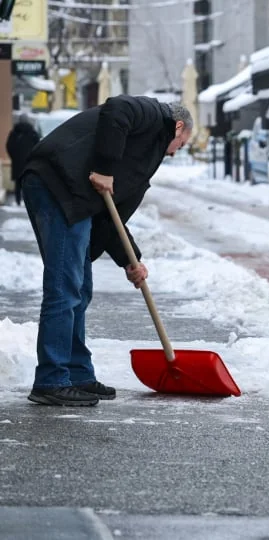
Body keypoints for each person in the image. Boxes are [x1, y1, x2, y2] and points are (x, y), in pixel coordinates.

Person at [20, 96, 192, 406]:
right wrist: (103, 167)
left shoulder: (142, 164)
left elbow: (112, 221)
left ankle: (76, 374)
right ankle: (51, 379)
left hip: (77, 198)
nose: (177, 151)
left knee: (80, 289)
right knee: (65, 286)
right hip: (55, 182)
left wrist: (131, 261)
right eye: (182, 143)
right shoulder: (153, 113)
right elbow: (117, 108)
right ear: (178, 127)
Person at [5, 112, 41, 206]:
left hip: (17, 163)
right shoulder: (32, 132)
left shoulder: (14, 132)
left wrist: (14, 157)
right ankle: (28, 202)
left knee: (18, 182)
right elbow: (38, 146)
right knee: (28, 182)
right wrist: (32, 157)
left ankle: (18, 201)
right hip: (29, 162)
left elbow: (9, 146)